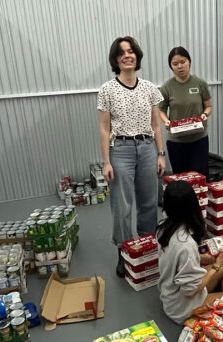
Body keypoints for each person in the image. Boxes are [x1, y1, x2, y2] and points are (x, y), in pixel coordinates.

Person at [97, 36, 166, 278]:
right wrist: (106, 161)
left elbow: (156, 124)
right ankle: (124, 251)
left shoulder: (149, 88)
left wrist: (160, 153)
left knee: (148, 202)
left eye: (131, 51)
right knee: (122, 205)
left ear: (137, 56)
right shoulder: (107, 90)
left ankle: (147, 248)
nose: (127, 55)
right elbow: (104, 128)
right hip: (121, 150)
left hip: (147, 148)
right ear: (116, 59)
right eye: (122, 52)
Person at [157, 181, 223, 323]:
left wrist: (212, 260)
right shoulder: (185, 245)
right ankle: (222, 303)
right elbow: (191, 291)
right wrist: (215, 266)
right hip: (184, 308)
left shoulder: (163, 228)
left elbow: (180, 260)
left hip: (170, 297)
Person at [158, 47, 212, 176]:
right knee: (181, 179)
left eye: (183, 62)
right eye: (175, 64)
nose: (180, 66)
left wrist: (205, 115)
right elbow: (161, 109)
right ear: (171, 66)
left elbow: (208, 106)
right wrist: (166, 121)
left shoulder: (200, 84)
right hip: (176, 141)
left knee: (199, 178)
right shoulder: (167, 87)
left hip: (199, 139)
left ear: (189, 62)